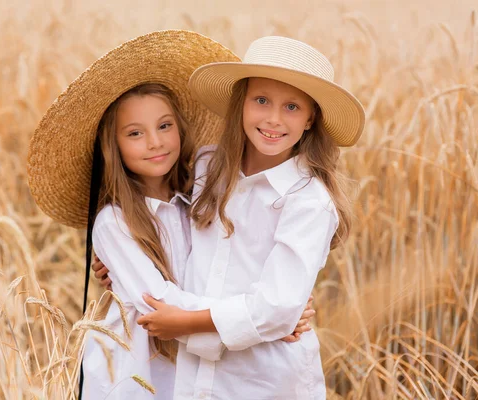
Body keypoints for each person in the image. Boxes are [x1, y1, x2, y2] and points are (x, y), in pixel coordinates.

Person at [28, 31, 312, 400]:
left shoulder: (200, 198)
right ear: (112, 146)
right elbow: (158, 303)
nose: (155, 142)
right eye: (134, 133)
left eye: (165, 126)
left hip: (200, 364)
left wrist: (274, 311)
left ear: (180, 127)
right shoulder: (115, 221)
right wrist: (262, 323)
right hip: (138, 369)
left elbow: (241, 261)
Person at [133, 36, 366, 400]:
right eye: (261, 101)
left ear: (310, 119)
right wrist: (125, 258)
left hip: (263, 378)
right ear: (240, 105)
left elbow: (277, 307)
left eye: (291, 106)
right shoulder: (208, 167)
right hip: (195, 374)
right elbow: (174, 232)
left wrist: (184, 322)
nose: (273, 119)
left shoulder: (308, 201)